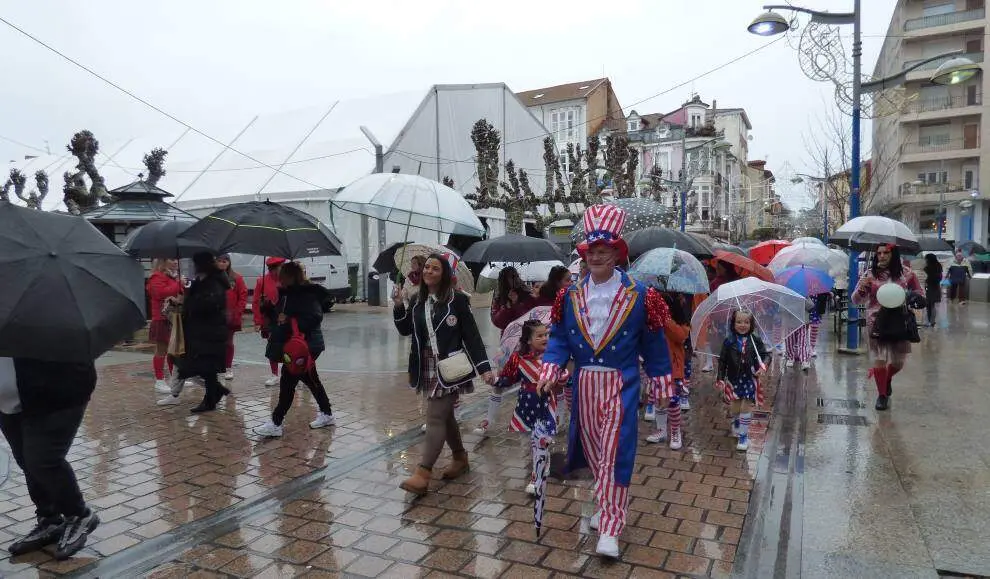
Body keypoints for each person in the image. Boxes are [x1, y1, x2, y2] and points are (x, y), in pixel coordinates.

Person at [535, 204, 672, 559]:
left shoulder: (640, 295)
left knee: (614, 453)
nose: (595, 257)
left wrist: (660, 382)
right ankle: (606, 502)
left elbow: (654, 344)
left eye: (603, 251)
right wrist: (550, 370)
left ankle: (611, 526)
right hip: (583, 386)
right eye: (590, 251)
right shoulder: (570, 296)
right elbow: (559, 340)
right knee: (595, 453)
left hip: (620, 385)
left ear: (616, 254)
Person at [392, 252, 494, 496]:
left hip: (451, 366)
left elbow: (471, 335)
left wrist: (484, 368)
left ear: (444, 274)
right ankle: (460, 458)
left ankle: (423, 474)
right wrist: (397, 305)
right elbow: (405, 329)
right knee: (445, 417)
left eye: (435, 268)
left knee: (435, 417)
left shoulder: (457, 300)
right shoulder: (417, 300)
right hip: (426, 365)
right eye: (427, 267)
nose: (428, 271)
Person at [0, 358, 100, 560]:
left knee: (43, 460)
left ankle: (79, 515)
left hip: (55, 395)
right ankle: (49, 519)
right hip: (8, 403)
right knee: (26, 460)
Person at [254, 261, 336, 437]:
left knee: (287, 381)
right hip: (298, 345)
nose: (279, 279)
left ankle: (276, 422)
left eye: (283, 276)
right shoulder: (287, 293)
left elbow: (314, 317)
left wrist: (289, 320)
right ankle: (327, 413)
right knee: (311, 379)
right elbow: (280, 316)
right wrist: (268, 309)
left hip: (306, 345)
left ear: (291, 276)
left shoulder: (307, 293)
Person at [494, 320, 568, 495]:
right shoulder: (518, 359)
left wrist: (562, 377)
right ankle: (541, 463)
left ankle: (537, 477)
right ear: (528, 340)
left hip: (545, 405)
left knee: (541, 441)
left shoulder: (552, 358)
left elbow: (564, 378)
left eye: (547, 334)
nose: (545, 338)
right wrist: (495, 381)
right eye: (540, 336)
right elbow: (509, 378)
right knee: (528, 442)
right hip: (525, 407)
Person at [157, 252, 231, 412]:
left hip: (210, 332)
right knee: (204, 367)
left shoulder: (214, 282)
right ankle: (214, 394)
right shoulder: (202, 280)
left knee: (204, 367)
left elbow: (210, 304)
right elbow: (195, 300)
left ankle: (212, 396)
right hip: (201, 332)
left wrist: (191, 302)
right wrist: (182, 301)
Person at [852, 244, 923, 411]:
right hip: (876, 322)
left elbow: (920, 294)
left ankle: (886, 378)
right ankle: (882, 395)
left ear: (894, 254)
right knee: (880, 359)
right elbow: (855, 300)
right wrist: (862, 287)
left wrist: (911, 296)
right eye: (879, 253)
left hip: (900, 321)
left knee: (898, 363)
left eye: (886, 252)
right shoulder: (869, 274)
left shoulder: (907, 274)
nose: (882, 256)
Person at [715, 310, 770, 452]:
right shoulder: (729, 341)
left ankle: (743, 436)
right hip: (734, 379)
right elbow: (722, 361)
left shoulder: (755, 339)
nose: (742, 325)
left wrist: (762, 367)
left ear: (751, 324)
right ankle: (736, 421)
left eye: (746, 322)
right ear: (733, 323)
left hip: (750, 378)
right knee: (735, 407)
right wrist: (720, 378)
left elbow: (766, 355)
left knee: (746, 406)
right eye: (739, 322)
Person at [645, 293, 690, 449]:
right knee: (659, 399)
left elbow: (681, 336)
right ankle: (661, 430)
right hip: (657, 366)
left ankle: (675, 431)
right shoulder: (651, 321)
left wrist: (666, 320)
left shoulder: (676, 322)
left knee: (672, 400)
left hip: (673, 368)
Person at [146, 258, 184, 393]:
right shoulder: (156, 277)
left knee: (173, 350)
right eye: (171, 259)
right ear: (163, 261)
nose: (175, 262)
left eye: (176, 259)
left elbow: (176, 293)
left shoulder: (172, 277)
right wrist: (178, 284)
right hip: (162, 318)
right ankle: (159, 380)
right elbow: (160, 293)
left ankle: (175, 378)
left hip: (173, 317)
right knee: (161, 349)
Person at [254, 257, 286, 387]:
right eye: (278, 268)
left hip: (286, 318)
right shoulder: (261, 281)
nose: (280, 270)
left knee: (289, 346)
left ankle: (291, 372)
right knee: (272, 346)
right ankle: (274, 374)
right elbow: (256, 302)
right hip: (270, 318)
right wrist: (258, 320)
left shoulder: (287, 280)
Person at [216, 254, 248, 381]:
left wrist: (237, 312)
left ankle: (228, 367)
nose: (222, 263)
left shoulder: (236, 278)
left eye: (225, 261)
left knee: (228, 342)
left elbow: (243, 296)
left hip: (230, 316)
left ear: (229, 262)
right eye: (219, 261)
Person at [490, 267, 534, 331]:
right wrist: (506, 308)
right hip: (509, 333)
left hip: (526, 333)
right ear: (504, 281)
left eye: (516, 276)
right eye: (511, 277)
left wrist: (515, 303)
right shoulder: (500, 298)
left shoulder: (527, 294)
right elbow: (497, 322)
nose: (516, 279)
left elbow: (530, 317)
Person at [784, 298, 815, 371]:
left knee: (802, 342)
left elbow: (811, 306)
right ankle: (790, 358)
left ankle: (804, 360)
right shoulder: (786, 295)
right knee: (790, 341)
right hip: (790, 322)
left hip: (802, 322)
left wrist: (804, 300)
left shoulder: (804, 295)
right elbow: (782, 307)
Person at [923, 253, 943, 327]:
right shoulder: (939, 266)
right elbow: (940, 277)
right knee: (933, 305)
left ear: (929, 259)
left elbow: (925, 278)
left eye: (926, 259)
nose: (925, 260)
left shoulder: (927, 268)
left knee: (928, 305)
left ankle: (928, 321)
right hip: (936, 287)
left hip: (929, 287)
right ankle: (932, 322)